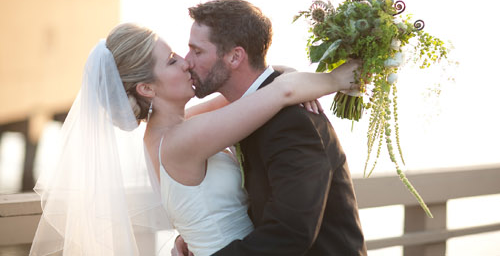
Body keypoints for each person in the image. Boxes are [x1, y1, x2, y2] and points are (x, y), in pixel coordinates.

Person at [29, 17, 365, 256]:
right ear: (147, 87)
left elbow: (252, 92)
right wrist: (338, 79)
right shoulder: (184, 140)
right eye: (173, 60)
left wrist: (280, 74)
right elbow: (279, 93)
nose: (187, 64)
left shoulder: (167, 133)